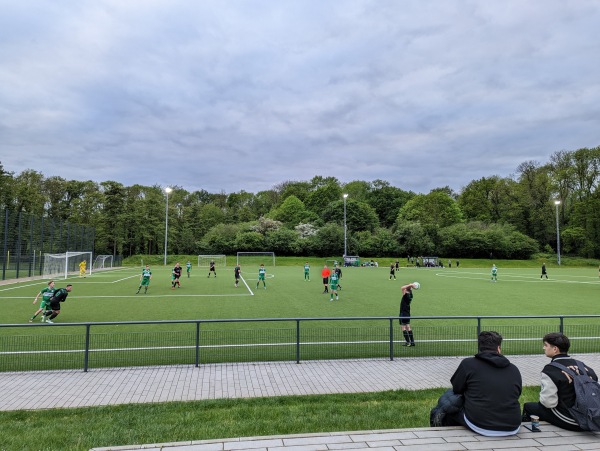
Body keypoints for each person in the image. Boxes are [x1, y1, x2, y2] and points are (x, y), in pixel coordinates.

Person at [433, 331, 522, 436]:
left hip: (480, 424)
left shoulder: (468, 364)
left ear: (480, 348)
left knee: (448, 399)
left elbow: (457, 389)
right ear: (498, 348)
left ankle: (445, 435)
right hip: (512, 425)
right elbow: (517, 393)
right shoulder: (514, 369)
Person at [523, 333, 598, 431]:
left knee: (529, 407)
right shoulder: (584, 366)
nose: (543, 348)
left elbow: (548, 403)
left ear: (555, 349)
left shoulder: (550, 370)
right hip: (593, 417)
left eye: (546, 345)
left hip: (574, 421)